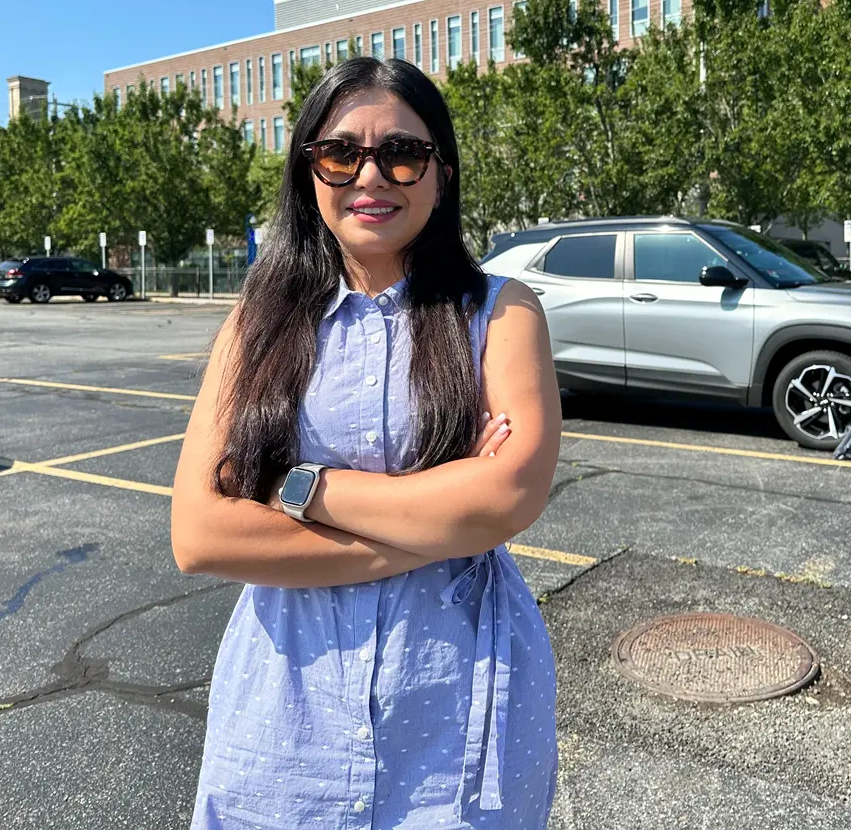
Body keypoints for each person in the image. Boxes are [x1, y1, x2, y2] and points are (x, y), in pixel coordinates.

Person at [171, 56, 563, 829]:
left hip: (457, 706)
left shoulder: (501, 313)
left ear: (441, 173)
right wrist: (442, 523)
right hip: (288, 717)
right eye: (341, 152)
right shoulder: (257, 325)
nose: (371, 175)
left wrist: (302, 488)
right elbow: (200, 533)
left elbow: (508, 494)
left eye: (403, 153)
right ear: (308, 171)